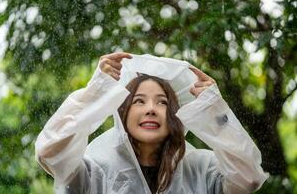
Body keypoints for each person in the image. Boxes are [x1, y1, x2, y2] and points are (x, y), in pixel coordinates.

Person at [35, 52, 268, 194]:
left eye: (162, 102)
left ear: (174, 116)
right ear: (123, 114)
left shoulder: (200, 169)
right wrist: (96, 92)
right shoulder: (93, 172)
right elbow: (50, 151)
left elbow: (249, 179)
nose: (150, 109)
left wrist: (215, 110)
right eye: (139, 101)